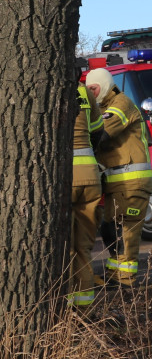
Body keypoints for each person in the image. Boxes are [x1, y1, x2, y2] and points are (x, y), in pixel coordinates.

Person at [85, 67, 152, 287]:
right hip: (118, 181)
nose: (91, 94)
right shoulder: (103, 106)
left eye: (93, 89)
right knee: (110, 229)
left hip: (130, 180)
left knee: (125, 231)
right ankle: (116, 275)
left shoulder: (120, 104)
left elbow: (101, 133)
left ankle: (125, 280)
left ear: (104, 85)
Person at [69, 81, 104, 306]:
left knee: (64, 246)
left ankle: (64, 308)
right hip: (91, 176)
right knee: (83, 248)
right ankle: (83, 312)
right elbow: (98, 131)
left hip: (64, 177)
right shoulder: (83, 90)